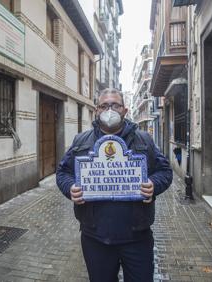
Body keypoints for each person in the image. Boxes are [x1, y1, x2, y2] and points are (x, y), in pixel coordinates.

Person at [56, 88, 173, 282]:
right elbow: (63, 172)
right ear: (97, 110)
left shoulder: (144, 140)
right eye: (104, 106)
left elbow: (165, 172)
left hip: (137, 237)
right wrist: (70, 188)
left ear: (125, 110)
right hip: (95, 238)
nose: (109, 110)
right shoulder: (80, 141)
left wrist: (154, 184)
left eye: (115, 105)